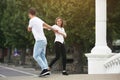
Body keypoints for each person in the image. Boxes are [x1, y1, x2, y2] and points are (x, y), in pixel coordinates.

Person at [27, 8, 56, 77]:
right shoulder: (38, 19)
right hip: (44, 40)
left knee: (36, 55)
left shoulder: (31, 20)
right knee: (42, 56)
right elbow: (47, 25)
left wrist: (30, 27)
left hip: (39, 41)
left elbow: (29, 29)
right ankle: (47, 71)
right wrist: (53, 29)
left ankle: (45, 69)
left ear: (30, 14)